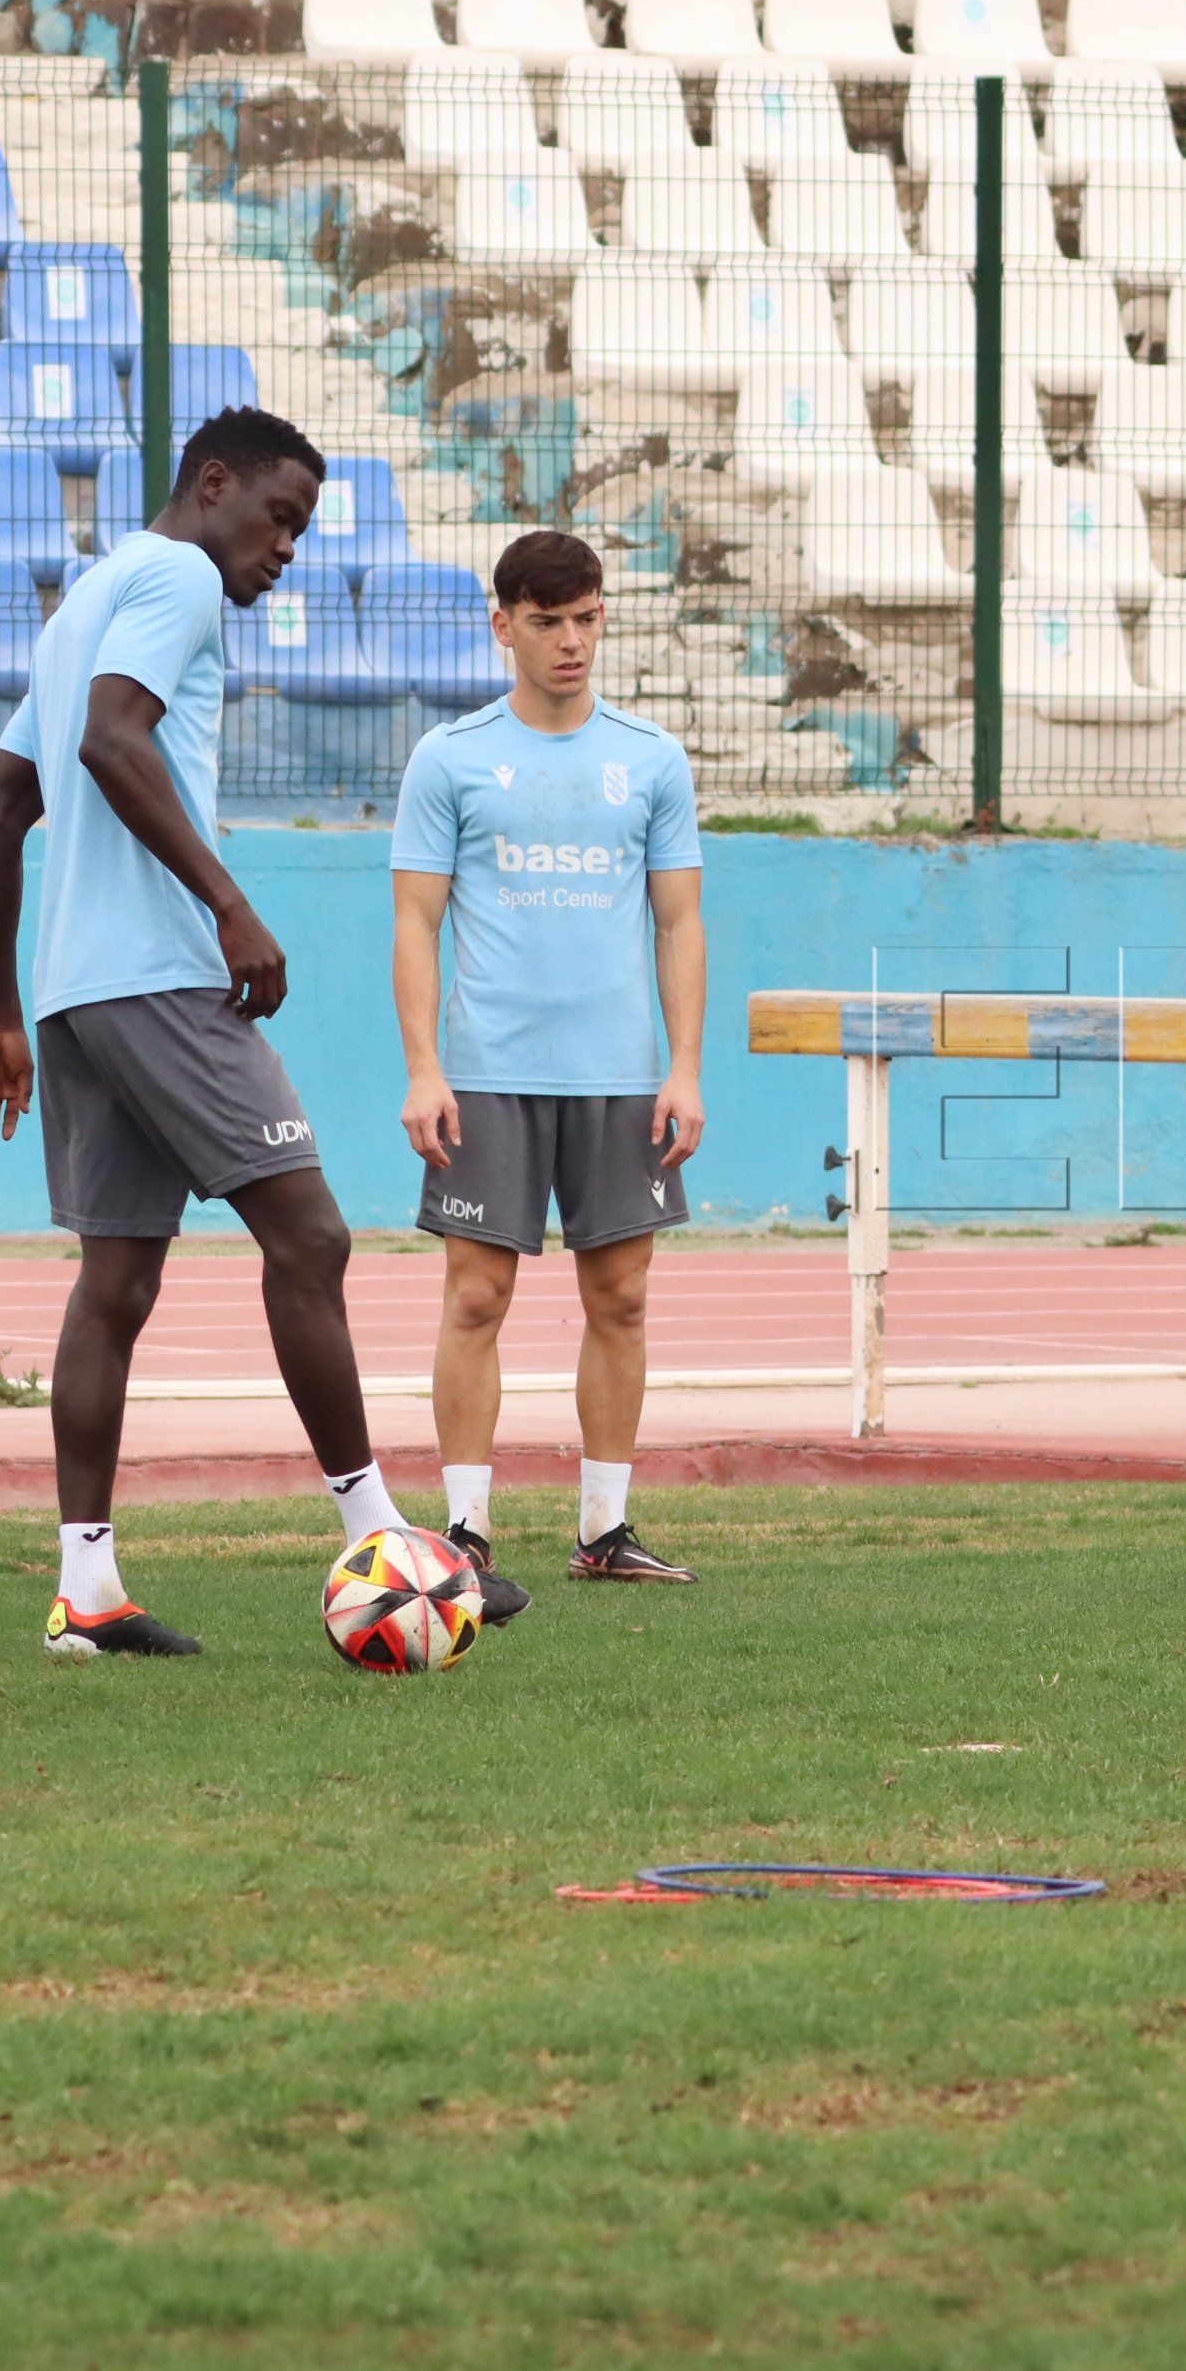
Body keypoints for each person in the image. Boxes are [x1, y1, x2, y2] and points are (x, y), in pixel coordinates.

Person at [0, 407, 508, 1654]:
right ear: (213, 486)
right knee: (308, 1231)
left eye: (303, 532)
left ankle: (85, 1593)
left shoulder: (83, 598)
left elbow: (0, 815)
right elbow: (111, 740)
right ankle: (384, 1542)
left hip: (70, 992)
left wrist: (3, 1007)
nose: (287, 551)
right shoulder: (176, 578)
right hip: (158, 975)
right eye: (279, 519)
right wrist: (229, 905)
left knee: (117, 1277)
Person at [392, 530, 707, 1593]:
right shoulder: (450, 758)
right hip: (487, 1074)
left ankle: (605, 1530)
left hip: (620, 1077)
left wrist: (685, 1066)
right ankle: (466, 1531)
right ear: (502, 625)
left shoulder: (651, 759)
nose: (571, 642)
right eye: (546, 622)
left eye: (587, 618)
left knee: (621, 1296)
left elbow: (679, 922)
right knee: (476, 1296)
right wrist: (424, 1068)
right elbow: (415, 922)